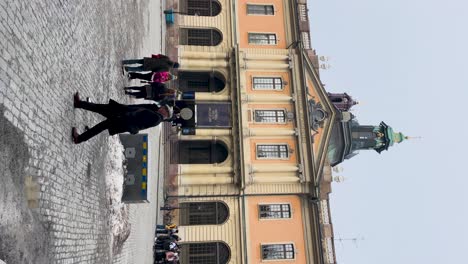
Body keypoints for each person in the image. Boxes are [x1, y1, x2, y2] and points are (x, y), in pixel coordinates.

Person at [71, 92, 173, 144]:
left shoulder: (156, 118)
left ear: (165, 113)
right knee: (100, 108)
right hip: (121, 113)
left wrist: (123, 116)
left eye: (164, 108)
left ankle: (79, 139)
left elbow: (137, 118)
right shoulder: (156, 114)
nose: (162, 107)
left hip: (122, 119)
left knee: (99, 127)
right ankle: (79, 104)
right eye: (163, 106)